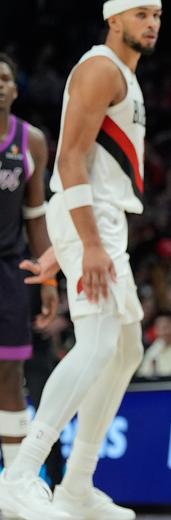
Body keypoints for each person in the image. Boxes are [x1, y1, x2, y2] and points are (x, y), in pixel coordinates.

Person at [0, 0, 162, 520]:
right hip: (93, 222)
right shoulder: (100, 69)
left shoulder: (127, 78)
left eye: (157, 16)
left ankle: (77, 485)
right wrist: (85, 243)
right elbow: (69, 160)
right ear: (113, 19)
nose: (152, 24)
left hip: (99, 221)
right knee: (96, 346)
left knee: (126, 351)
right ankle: (20, 475)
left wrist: (67, 245)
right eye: (141, 14)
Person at [0, 53, 59, 470]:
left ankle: (16, 483)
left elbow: (36, 217)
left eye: (4, 78)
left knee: (10, 376)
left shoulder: (31, 140)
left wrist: (48, 281)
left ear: (15, 89)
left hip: (9, 269)